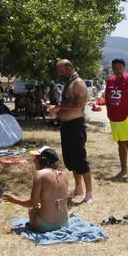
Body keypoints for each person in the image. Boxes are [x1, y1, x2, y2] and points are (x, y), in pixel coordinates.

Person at [51, 59, 92, 203]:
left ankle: (89, 193)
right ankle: (78, 187)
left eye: (61, 71)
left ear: (69, 68)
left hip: (76, 125)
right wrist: (55, 107)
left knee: (80, 159)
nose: (59, 74)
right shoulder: (68, 83)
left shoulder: (78, 83)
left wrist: (59, 108)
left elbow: (79, 105)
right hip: (66, 125)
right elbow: (67, 102)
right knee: (71, 159)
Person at [3, 146, 69, 232]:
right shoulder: (63, 175)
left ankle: (34, 226)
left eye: (36, 158)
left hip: (45, 226)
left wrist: (15, 200)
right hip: (64, 223)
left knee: (32, 210)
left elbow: (32, 203)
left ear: (42, 159)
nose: (34, 161)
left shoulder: (40, 174)